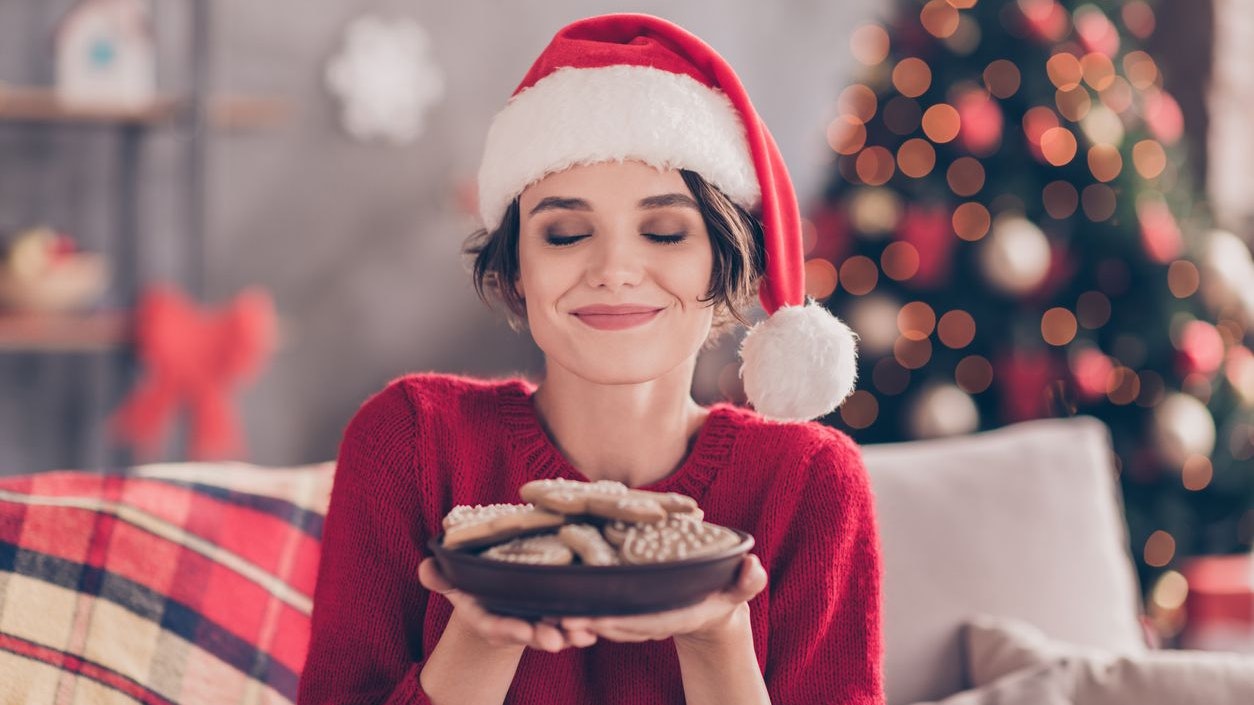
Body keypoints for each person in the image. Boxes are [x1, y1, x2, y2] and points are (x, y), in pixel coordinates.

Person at [297, 12, 884, 705]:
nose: (614, 269)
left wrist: (717, 636)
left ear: (726, 265)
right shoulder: (410, 440)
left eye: (665, 232)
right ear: (517, 270)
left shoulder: (811, 480)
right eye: (567, 232)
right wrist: (479, 639)